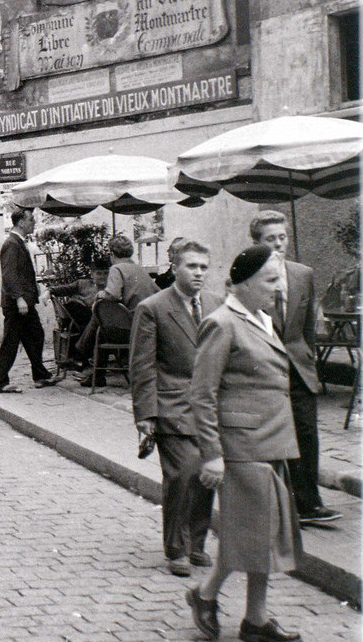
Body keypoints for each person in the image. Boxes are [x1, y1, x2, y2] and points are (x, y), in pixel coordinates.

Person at [186, 245, 303, 642]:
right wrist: (213, 455)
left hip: (271, 443)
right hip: (242, 448)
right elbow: (202, 394)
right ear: (244, 283)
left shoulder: (262, 318)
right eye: (270, 280)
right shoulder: (222, 323)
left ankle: (255, 619)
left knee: (262, 535)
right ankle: (206, 596)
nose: (278, 287)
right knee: (252, 534)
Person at [129, 240, 221, 577]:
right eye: (191, 266)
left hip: (209, 408)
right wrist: (145, 414)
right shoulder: (153, 308)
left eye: (203, 267)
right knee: (183, 474)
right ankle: (176, 549)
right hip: (172, 405)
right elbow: (142, 365)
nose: (198, 273)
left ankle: (196, 543)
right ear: (175, 268)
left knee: (207, 474)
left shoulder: (215, 303)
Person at [250, 210, 340, 525]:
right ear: (258, 243)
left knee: (306, 432)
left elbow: (307, 331)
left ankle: (309, 504)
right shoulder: (248, 276)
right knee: (271, 437)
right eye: (271, 239)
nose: (279, 244)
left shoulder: (303, 274)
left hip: (300, 366)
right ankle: (273, 503)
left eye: (282, 237)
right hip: (266, 369)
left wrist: (310, 363)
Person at [77, 235, 158, 387]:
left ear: (112, 254)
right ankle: (93, 369)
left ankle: (81, 355)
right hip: (146, 323)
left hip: (131, 328)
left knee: (101, 321)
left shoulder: (116, 268)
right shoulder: (139, 268)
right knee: (102, 325)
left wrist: (100, 294)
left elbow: (112, 294)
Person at [0, 208, 55, 392]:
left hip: (24, 302)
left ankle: (40, 375)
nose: (33, 222)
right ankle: (0, 382)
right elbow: (9, 275)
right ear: (21, 222)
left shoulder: (18, 242)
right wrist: (19, 298)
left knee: (35, 335)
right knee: (11, 342)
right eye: (30, 219)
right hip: (16, 303)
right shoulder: (11, 244)